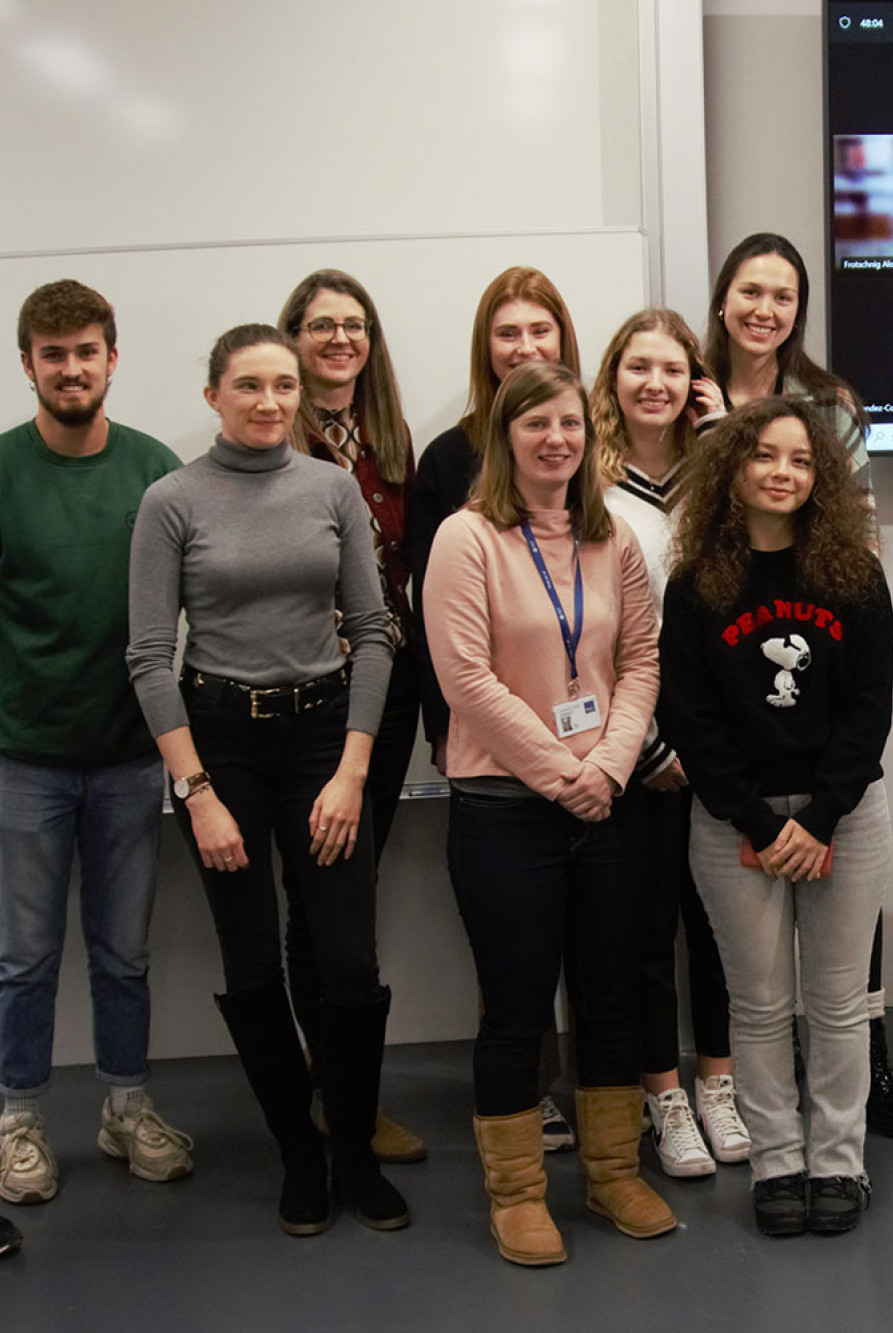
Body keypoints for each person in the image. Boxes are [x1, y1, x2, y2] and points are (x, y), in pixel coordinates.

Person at [127, 324, 406, 1236]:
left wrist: (353, 771)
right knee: (251, 964)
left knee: (349, 961)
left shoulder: (331, 488)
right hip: (221, 744)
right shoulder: (172, 499)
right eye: (248, 384)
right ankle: (298, 1153)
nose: (269, 401)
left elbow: (374, 631)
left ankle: (354, 1148)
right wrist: (197, 791)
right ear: (213, 394)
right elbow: (148, 657)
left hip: (325, 735)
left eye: (284, 384)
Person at [426, 361, 672, 1266]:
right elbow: (466, 679)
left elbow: (641, 660)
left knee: (610, 997)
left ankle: (612, 1174)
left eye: (569, 423)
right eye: (535, 424)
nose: (555, 439)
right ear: (506, 437)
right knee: (518, 1007)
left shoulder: (615, 539)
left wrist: (606, 766)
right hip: (505, 809)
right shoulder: (465, 538)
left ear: (588, 435)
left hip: (605, 801)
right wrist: (563, 773)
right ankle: (519, 1193)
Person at [704, 233, 893, 1138]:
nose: (765, 309)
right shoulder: (687, 392)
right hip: (723, 680)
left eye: (784, 296)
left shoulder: (831, 405)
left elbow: (858, 540)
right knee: (737, 936)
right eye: (751, 291)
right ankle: (736, 1094)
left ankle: (866, 1070)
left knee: (845, 905)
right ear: (723, 299)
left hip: (820, 670)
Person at [658, 396, 893, 1236]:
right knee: (757, 1006)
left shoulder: (855, 576)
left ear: (820, 475)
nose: (782, 472)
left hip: (844, 816)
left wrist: (822, 817)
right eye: (764, 455)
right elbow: (690, 718)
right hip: (736, 822)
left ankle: (838, 1162)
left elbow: (870, 709)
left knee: (837, 1004)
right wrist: (760, 824)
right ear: (732, 469)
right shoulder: (696, 584)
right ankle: (777, 1165)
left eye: (800, 459)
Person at [2, 280, 190, 1208]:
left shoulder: (155, 470)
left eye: (86, 352)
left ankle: (125, 1106)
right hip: (22, 759)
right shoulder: (2, 469)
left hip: (129, 755)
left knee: (124, 954)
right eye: (53, 354)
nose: (71, 369)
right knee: (23, 959)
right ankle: (18, 1120)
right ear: (27, 364)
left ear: (113, 359)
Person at [405, 265, 584, 1151]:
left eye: (539, 330)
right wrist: (459, 733)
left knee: (597, 945)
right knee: (513, 958)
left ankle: (608, 1099)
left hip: (593, 749)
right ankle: (530, 1097)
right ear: (486, 348)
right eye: (507, 332)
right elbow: (440, 628)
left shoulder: (587, 449)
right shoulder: (450, 460)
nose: (524, 346)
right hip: (494, 752)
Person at [588, 309, 752, 1179]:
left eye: (672, 368)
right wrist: (646, 746)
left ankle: (719, 1082)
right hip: (634, 744)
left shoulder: (719, 473)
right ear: (612, 379)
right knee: (646, 927)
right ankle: (663, 1093)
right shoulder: (588, 481)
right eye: (637, 367)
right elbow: (589, 630)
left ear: (696, 382)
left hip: (718, 737)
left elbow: (753, 593)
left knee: (718, 923)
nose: (655, 383)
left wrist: (725, 436)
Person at [275, 269, 427, 1166]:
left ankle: (343, 1089)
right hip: (308, 693)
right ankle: (337, 1097)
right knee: (318, 894)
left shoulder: (389, 444)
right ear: (293, 336)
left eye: (356, 325)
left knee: (352, 889)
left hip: (388, 688)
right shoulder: (275, 440)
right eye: (323, 324)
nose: (341, 339)